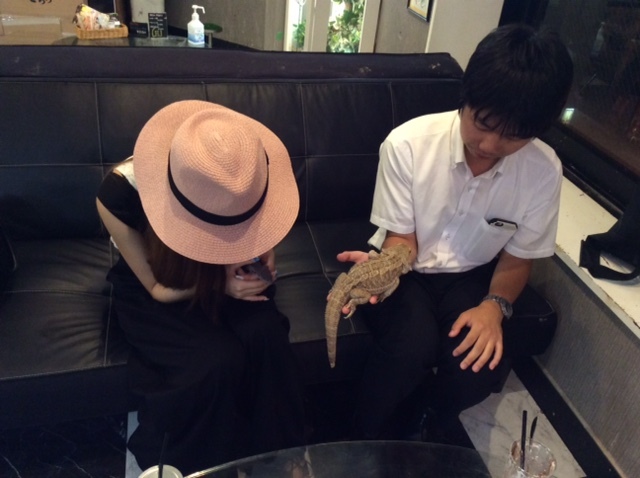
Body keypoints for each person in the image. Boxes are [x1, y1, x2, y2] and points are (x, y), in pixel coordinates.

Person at [337, 24, 574, 441]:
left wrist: (494, 307)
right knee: (408, 348)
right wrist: (384, 268)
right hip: (408, 268)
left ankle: (428, 423)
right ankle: (359, 436)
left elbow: (517, 259)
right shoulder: (407, 145)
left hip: (472, 275)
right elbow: (402, 240)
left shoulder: (543, 170)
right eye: (483, 123)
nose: (490, 145)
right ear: (466, 98)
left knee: (478, 364)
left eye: (513, 136)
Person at [96, 100, 307, 474]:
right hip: (167, 284)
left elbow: (263, 233)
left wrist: (261, 254)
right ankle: (207, 466)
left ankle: (276, 458)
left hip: (228, 267)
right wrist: (220, 287)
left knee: (266, 336)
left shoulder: (248, 168)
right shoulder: (120, 194)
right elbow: (157, 288)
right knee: (214, 362)